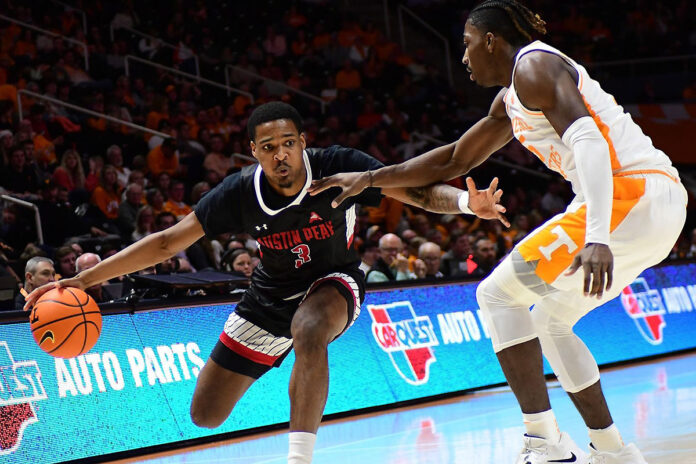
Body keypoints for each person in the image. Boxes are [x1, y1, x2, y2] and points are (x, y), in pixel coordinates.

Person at [308, 2, 687, 463]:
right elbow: (453, 161)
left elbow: (587, 140)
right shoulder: (510, 98)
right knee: (551, 321)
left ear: (491, 39)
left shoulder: (534, 65)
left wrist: (597, 235)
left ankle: (544, 441)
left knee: (496, 296)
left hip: (631, 194)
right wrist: (368, 179)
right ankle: (613, 452)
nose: (463, 58)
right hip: (655, 207)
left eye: (467, 45)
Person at [25, 102, 506, 464]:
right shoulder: (237, 193)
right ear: (254, 152)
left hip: (333, 281)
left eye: (288, 143)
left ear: (302, 141)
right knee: (205, 415)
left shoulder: (340, 166)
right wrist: (83, 279)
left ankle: (298, 457)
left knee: (310, 328)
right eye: (269, 147)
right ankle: (282, 362)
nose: (281, 155)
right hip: (268, 295)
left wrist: (469, 205)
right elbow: (166, 241)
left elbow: (417, 189)